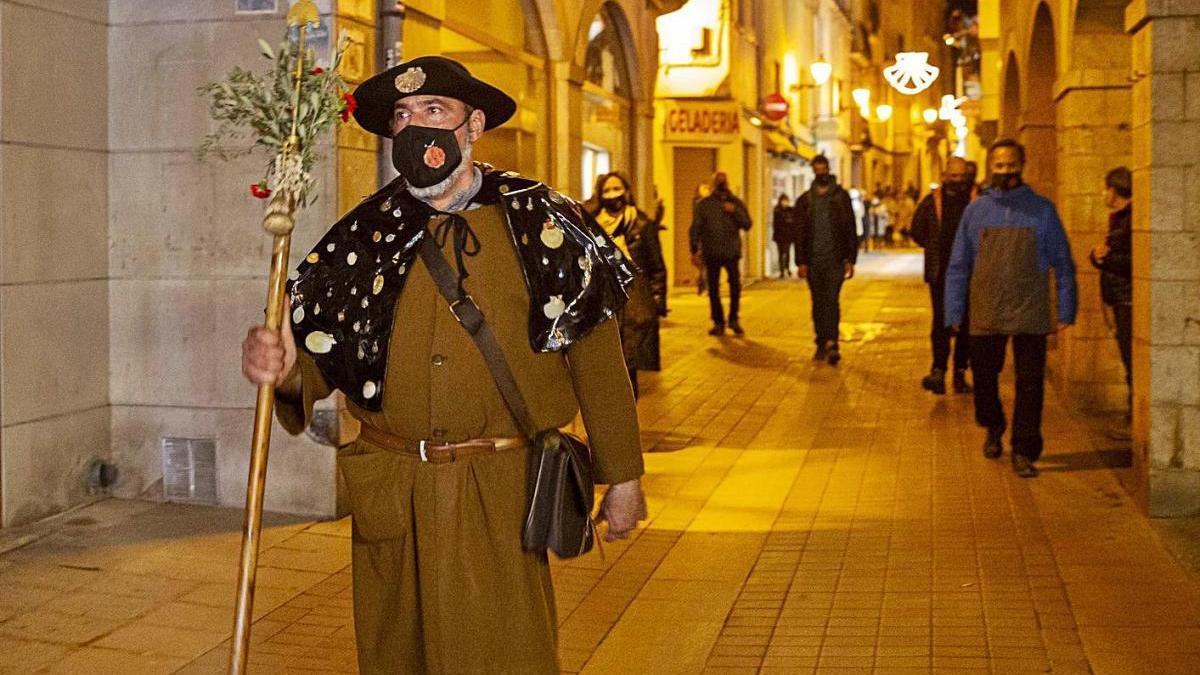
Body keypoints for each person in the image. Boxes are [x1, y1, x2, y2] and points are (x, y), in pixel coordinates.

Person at [240, 56, 647, 673]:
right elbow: (318, 362)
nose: (415, 127)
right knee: (394, 656)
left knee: (507, 657)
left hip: (499, 490)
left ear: (473, 125)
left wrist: (623, 476)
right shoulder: (364, 237)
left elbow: (595, 355)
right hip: (391, 489)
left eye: (435, 111)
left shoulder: (542, 221)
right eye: (403, 115)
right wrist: (281, 366)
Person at [944, 138, 1077, 478]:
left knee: (1030, 383)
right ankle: (993, 424)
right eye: (999, 165)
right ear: (990, 167)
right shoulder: (976, 210)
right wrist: (953, 310)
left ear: (1022, 164)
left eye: (1011, 164)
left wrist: (1065, 307)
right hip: (986, 308)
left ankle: (1024, 448)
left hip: (1030, 308)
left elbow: (1062, 261)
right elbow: (959, 263)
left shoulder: (1042, 210)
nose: (1005, 171)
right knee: (985, 379)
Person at [585, 172, 668, 398]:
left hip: (634, 302)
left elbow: (656, 265)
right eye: (607, 190)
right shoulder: (589, 225)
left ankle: (628, 419)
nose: (613, 195)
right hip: (602, 302)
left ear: (627, 192)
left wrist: (658, 299)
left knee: (628, 362)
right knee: (605, 362)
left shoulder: (641, 224)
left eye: (617, 189)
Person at [911, 156, 978, 395]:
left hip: (971, 273)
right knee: (941, 321)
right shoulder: (932, 202)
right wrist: (933, 246)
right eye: (953, 176)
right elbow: (916, 230)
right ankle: (938, 370)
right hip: (941, 273)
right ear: (944, 176)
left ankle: (960, 372)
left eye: (962, 177)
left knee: (967, 324)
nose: (958, 181)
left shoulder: (978, 201)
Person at [795, 155, 858, 365]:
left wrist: (850, 258)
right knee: (817, 302)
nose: (821, 173)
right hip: (813, 261)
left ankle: (832, 342)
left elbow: (850, 227)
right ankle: (821, 340)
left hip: (835, 260)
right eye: (817, 169)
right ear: (813, 171)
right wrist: (801, 262)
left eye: (823, 169)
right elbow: (800, 233)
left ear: (828, 170)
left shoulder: (841, 197)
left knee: (831, 300)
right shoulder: (805, 200)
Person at [1089, 166, 1133, 412]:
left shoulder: (1129, 220)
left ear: (1114, 190)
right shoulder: (1120, 219)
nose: (1103, 194)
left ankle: (1133, 416)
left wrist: (1102, 258)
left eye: (1106, 188)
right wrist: (1098, 256)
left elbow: (1132, 262)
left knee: (1131, 360)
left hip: (1127, 300)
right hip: (1120, 298)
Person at [690, 171, 752, 336]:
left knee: (735, 287)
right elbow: (695, 228)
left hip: (731, 252)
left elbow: (747, 224)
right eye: (718, 181)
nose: (721, 184)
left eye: (723, 181)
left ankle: (733, 318)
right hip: (712, 252)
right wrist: (694, 249)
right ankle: (718, 321)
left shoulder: (736, 203)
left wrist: (735, 211)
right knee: (713, 289)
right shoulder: (704, 205)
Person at [772, 194, 798, 278]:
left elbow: (793, 221)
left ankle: (787, 268)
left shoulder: (790, 210)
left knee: (787, 252)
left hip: (788, 235)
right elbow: (776, 224)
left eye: (786, 200)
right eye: (783, 200)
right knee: (781, 253)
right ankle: (782, 270)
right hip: (780, 235)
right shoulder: (777, 210)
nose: (785, 202)